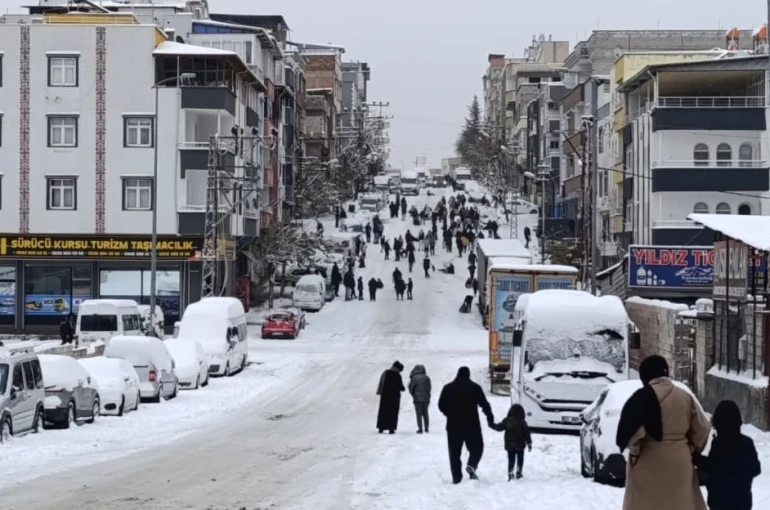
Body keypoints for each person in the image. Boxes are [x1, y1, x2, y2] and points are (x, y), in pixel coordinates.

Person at [616, 355, 711, 510]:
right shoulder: (684, 396)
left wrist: (635, 453)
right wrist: (691, 449)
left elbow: (631, 435)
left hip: (648, 463)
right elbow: (702, 428)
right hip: (680, 462)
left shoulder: (640, 398)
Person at [695, 400, 761, 510]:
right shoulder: (747, 442)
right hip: (743, 504)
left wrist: (696, 459)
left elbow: (713, 468)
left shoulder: (719, 443)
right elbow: (756, 469)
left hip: (721, 504)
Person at [438, 366, 494, 484]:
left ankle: (456, 478)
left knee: (454, 453)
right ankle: (472, 464)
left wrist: (449, 413)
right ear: (468, 375)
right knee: (477, 447)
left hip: (453, 426)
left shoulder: (448, 388)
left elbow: (441, 405)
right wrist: (490, 417)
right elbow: (484, 404)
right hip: (471, 424)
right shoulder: (474, 388)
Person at [488, 403, 532, 481]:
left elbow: (499, 427)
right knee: (520, 459)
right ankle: (519, 472)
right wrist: (529, 443)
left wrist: (491, 425)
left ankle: (510, 473)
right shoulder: (523, 422)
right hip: (520, 444)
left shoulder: (507, 420)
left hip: (509, 444)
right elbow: (527, 433)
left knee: (511, 459)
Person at [376, 361, 405, 434]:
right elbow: (400, 387)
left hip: (385, 396)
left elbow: (381, 383)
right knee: (393, 413)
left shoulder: (386, 373)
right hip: (394, 397)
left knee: (383, 411)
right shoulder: (397, 376)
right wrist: (403, 388)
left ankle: (381, 427)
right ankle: (391, 428)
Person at [409, 365, 432, 434]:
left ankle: (420, 428)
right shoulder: (427, 377)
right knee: (425, 413)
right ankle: (426, 428)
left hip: (417, 398)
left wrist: (413, 394)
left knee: (418, 414)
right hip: (426, 398)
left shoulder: (414, 378)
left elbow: (411, 387)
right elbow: (429, 387)